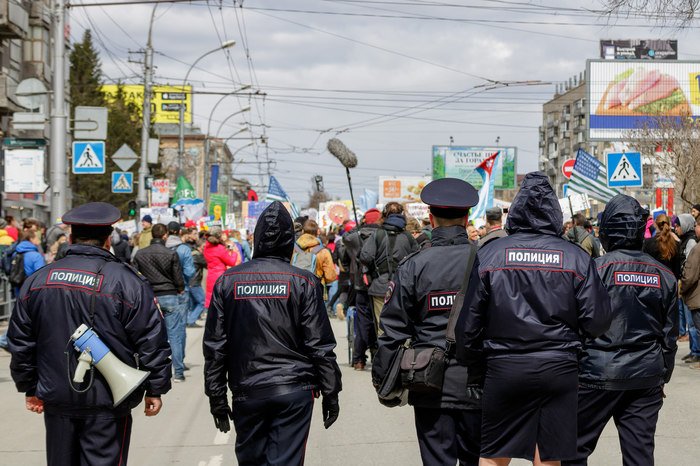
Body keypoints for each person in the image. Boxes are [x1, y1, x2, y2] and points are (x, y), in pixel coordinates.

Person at [456, 172, 613, 465]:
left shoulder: (491, 254)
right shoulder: (575, 257)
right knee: (549, 456)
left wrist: (473, 364)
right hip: (559, 366)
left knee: (494, 455)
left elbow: (470, 320)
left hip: (504, 366)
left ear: (516, 210)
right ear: (554, 212)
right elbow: (598, 321)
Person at [6, 202, 171, 466]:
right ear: (108, 240)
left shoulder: (39, 280)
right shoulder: (128, 281)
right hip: (108, 400)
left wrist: (29, 386)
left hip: (57, 398)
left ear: (70, 238)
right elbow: (152, 339)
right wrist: (156, 388)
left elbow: (21, 341)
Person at [203, 201, 342, 465]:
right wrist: (331, 391)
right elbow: (319, 343)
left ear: (256, 240)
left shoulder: (228, 281)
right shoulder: (304, 281)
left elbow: (215, 347)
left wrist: (217, 396)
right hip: (293, 389)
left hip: (249, 389)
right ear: (290, 241)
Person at [373, 178, 482, 466]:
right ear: (467, 217)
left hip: (428, 382)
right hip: (479, 380)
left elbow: (393, 329)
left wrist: (381, 376)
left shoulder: (414, 265)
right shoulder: (486, 260)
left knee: (436, 460)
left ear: (431, 218)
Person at [563, 195, 678, 466]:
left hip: (595, 375)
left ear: (606, 232)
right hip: (645, 377)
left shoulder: (592, 270)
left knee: (572, 452)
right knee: (639, 457)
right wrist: (663, 375)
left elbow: (574, 327)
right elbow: (669, 336)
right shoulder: (664, 275)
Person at [133, 223, 186, 382]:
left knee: (149, 336)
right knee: (174, 335)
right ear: (165, 236)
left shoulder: (140, 254)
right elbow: (178, 276)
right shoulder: (170, 254)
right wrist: (180, 288)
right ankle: (178, 372)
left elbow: (136, 277)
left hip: (150, 297)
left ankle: (150, 371)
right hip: (169, 295)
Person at [360, 202, 419, 338]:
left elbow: (365, 256)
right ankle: (402, 356)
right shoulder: (408, 237)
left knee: (382, 327)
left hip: (380, 286)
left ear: (384, 215)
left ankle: (385, 356)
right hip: (403, 287)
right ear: (403, 214)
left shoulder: (377, 235)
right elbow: (417, 259)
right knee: (402, 325)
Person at [344, 208, 381, 370]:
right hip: (380, 284)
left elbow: (345, 236)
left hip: (361, 284)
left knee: (363, 322)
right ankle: (377, 354)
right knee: (379, 321)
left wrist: (359, 226)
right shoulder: (383, 234)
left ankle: (359, 359)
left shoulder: (357, 236)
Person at [203, 226, 241, 310]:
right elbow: (231, 262)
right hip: (220, 276)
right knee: (221, 301)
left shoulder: (206, 247)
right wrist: (233, 252)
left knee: (211, 298)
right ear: (219, 236)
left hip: (210, 275)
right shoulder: (219, 248)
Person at [680, 215, 700, 370]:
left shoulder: (696, 248)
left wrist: (682, 288)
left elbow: (690, 275)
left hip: (696, 295)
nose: (695, 229)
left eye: (697, 226)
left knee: (696, 327)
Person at [295, 219, 337, 285]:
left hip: (296, 288)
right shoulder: (323, 252)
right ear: (318, 233)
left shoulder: (293, 249)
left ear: (303, 231)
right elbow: (330, 277)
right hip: (316, 289)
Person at [642, 213, 681, 278]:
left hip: (653, 281)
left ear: (655, 225)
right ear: (669, 225)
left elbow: (644, 266)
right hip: (669, 282)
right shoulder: (675, 244)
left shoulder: (648, 243)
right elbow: (677, 270)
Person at [187, 236, 208, 326]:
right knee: (202, 302)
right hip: (195, 282)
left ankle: (191, 320)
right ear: (200, 247)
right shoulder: (198, 255)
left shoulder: (191, 253)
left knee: (195, 302)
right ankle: (191, 321)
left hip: (190, 281)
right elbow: (207, 264)